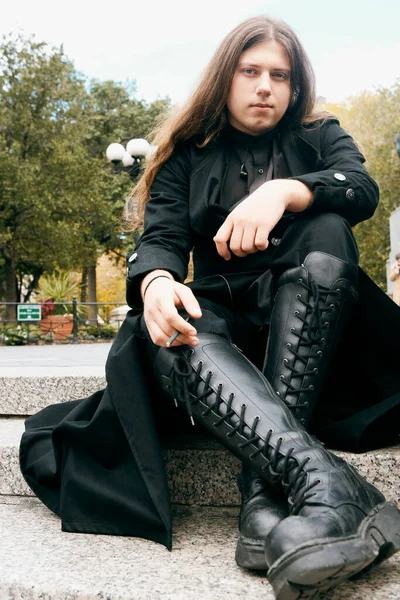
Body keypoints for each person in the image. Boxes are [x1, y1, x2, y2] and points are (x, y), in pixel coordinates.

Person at [20, 15, 400, 600]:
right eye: (251, 71)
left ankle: (261, 493)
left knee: (327, 228)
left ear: (295, 86)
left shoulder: (319, 134)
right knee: (166, 317)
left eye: (281, 75)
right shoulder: (186, 154)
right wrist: (155, 285)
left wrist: (284, 190)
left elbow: (360, 189)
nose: (266, 86)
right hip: (224, 342)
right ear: (225, 77)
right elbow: (161, 239)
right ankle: (316, 477)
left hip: (312, 335)